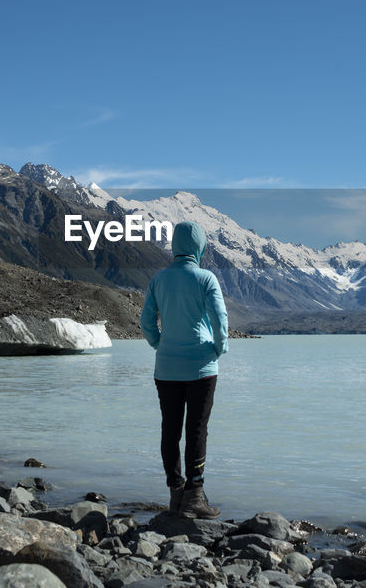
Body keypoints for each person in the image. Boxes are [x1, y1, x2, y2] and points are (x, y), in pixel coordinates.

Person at [140, 220, 229, 519]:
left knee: (170, 429)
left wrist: (159, 344)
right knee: (197, 430)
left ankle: (175, 493)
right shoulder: (207, 279)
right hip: (202, 367)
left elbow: (146, 322)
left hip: (166, 367)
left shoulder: (158, 279)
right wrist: (219, 348)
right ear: (200, 246)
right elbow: (219, 321)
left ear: (175, 246)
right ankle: (195, 495)